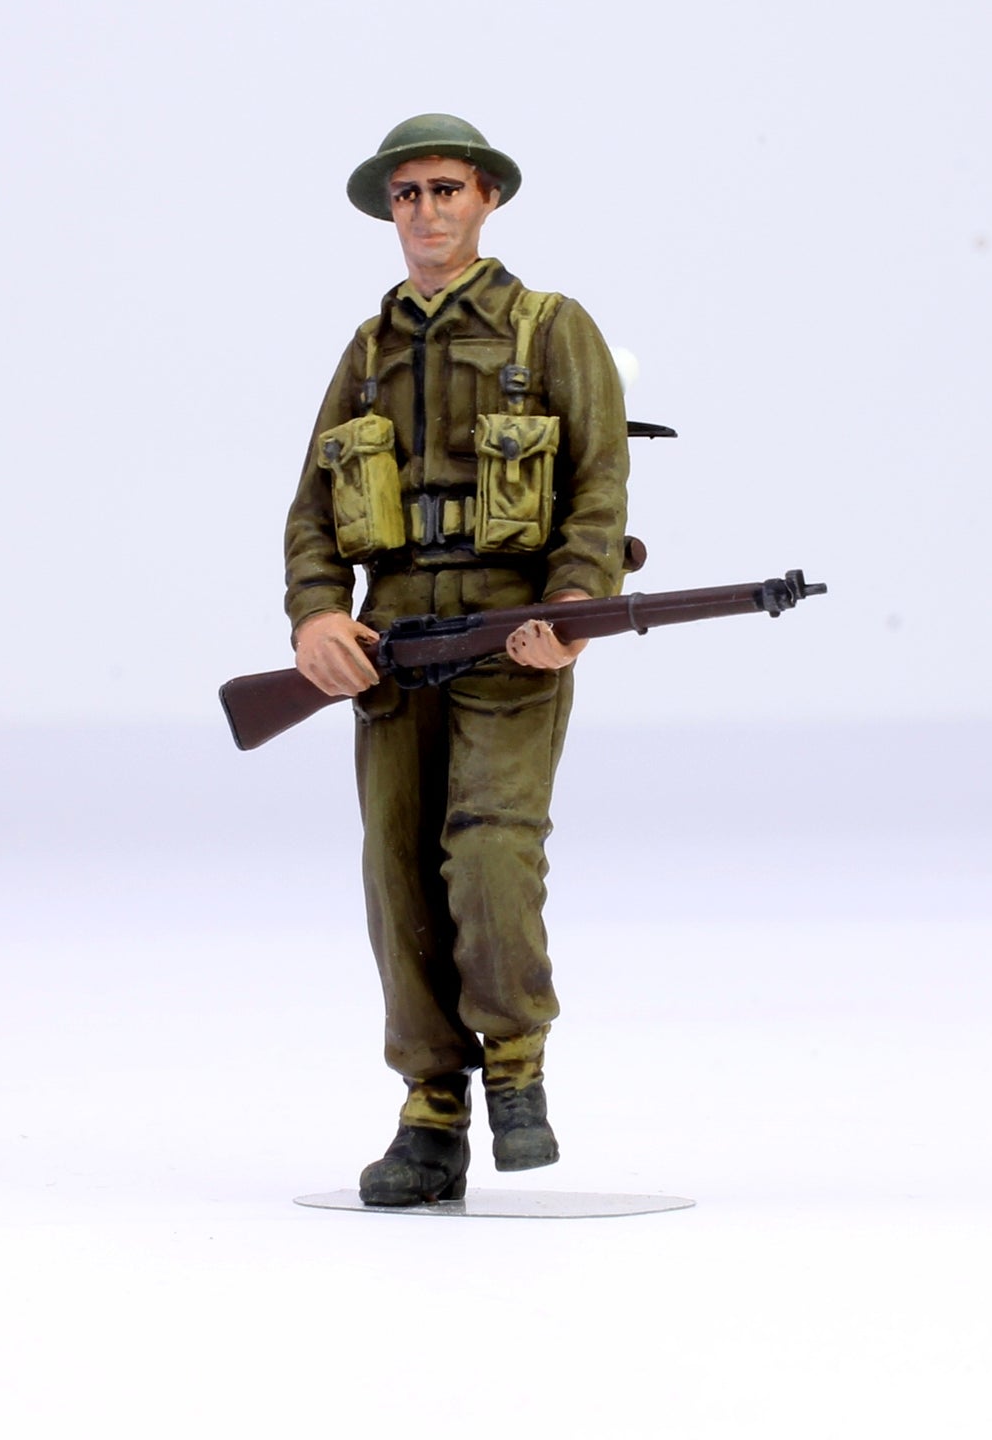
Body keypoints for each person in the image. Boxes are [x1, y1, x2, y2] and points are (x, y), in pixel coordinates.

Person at [284, 113, 629, 1206]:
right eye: (408, 194)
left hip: (510, 638)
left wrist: (572, 607)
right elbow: (313, 510)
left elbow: (598, 486)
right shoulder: (368, 351)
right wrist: (317, 617)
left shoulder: (549, 328)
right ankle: (430, 1110)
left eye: (446, 189)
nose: (427, 211)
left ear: (488, 198)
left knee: (489, 850)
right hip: (391, 646)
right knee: (397, 875)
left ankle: (516, 1068)